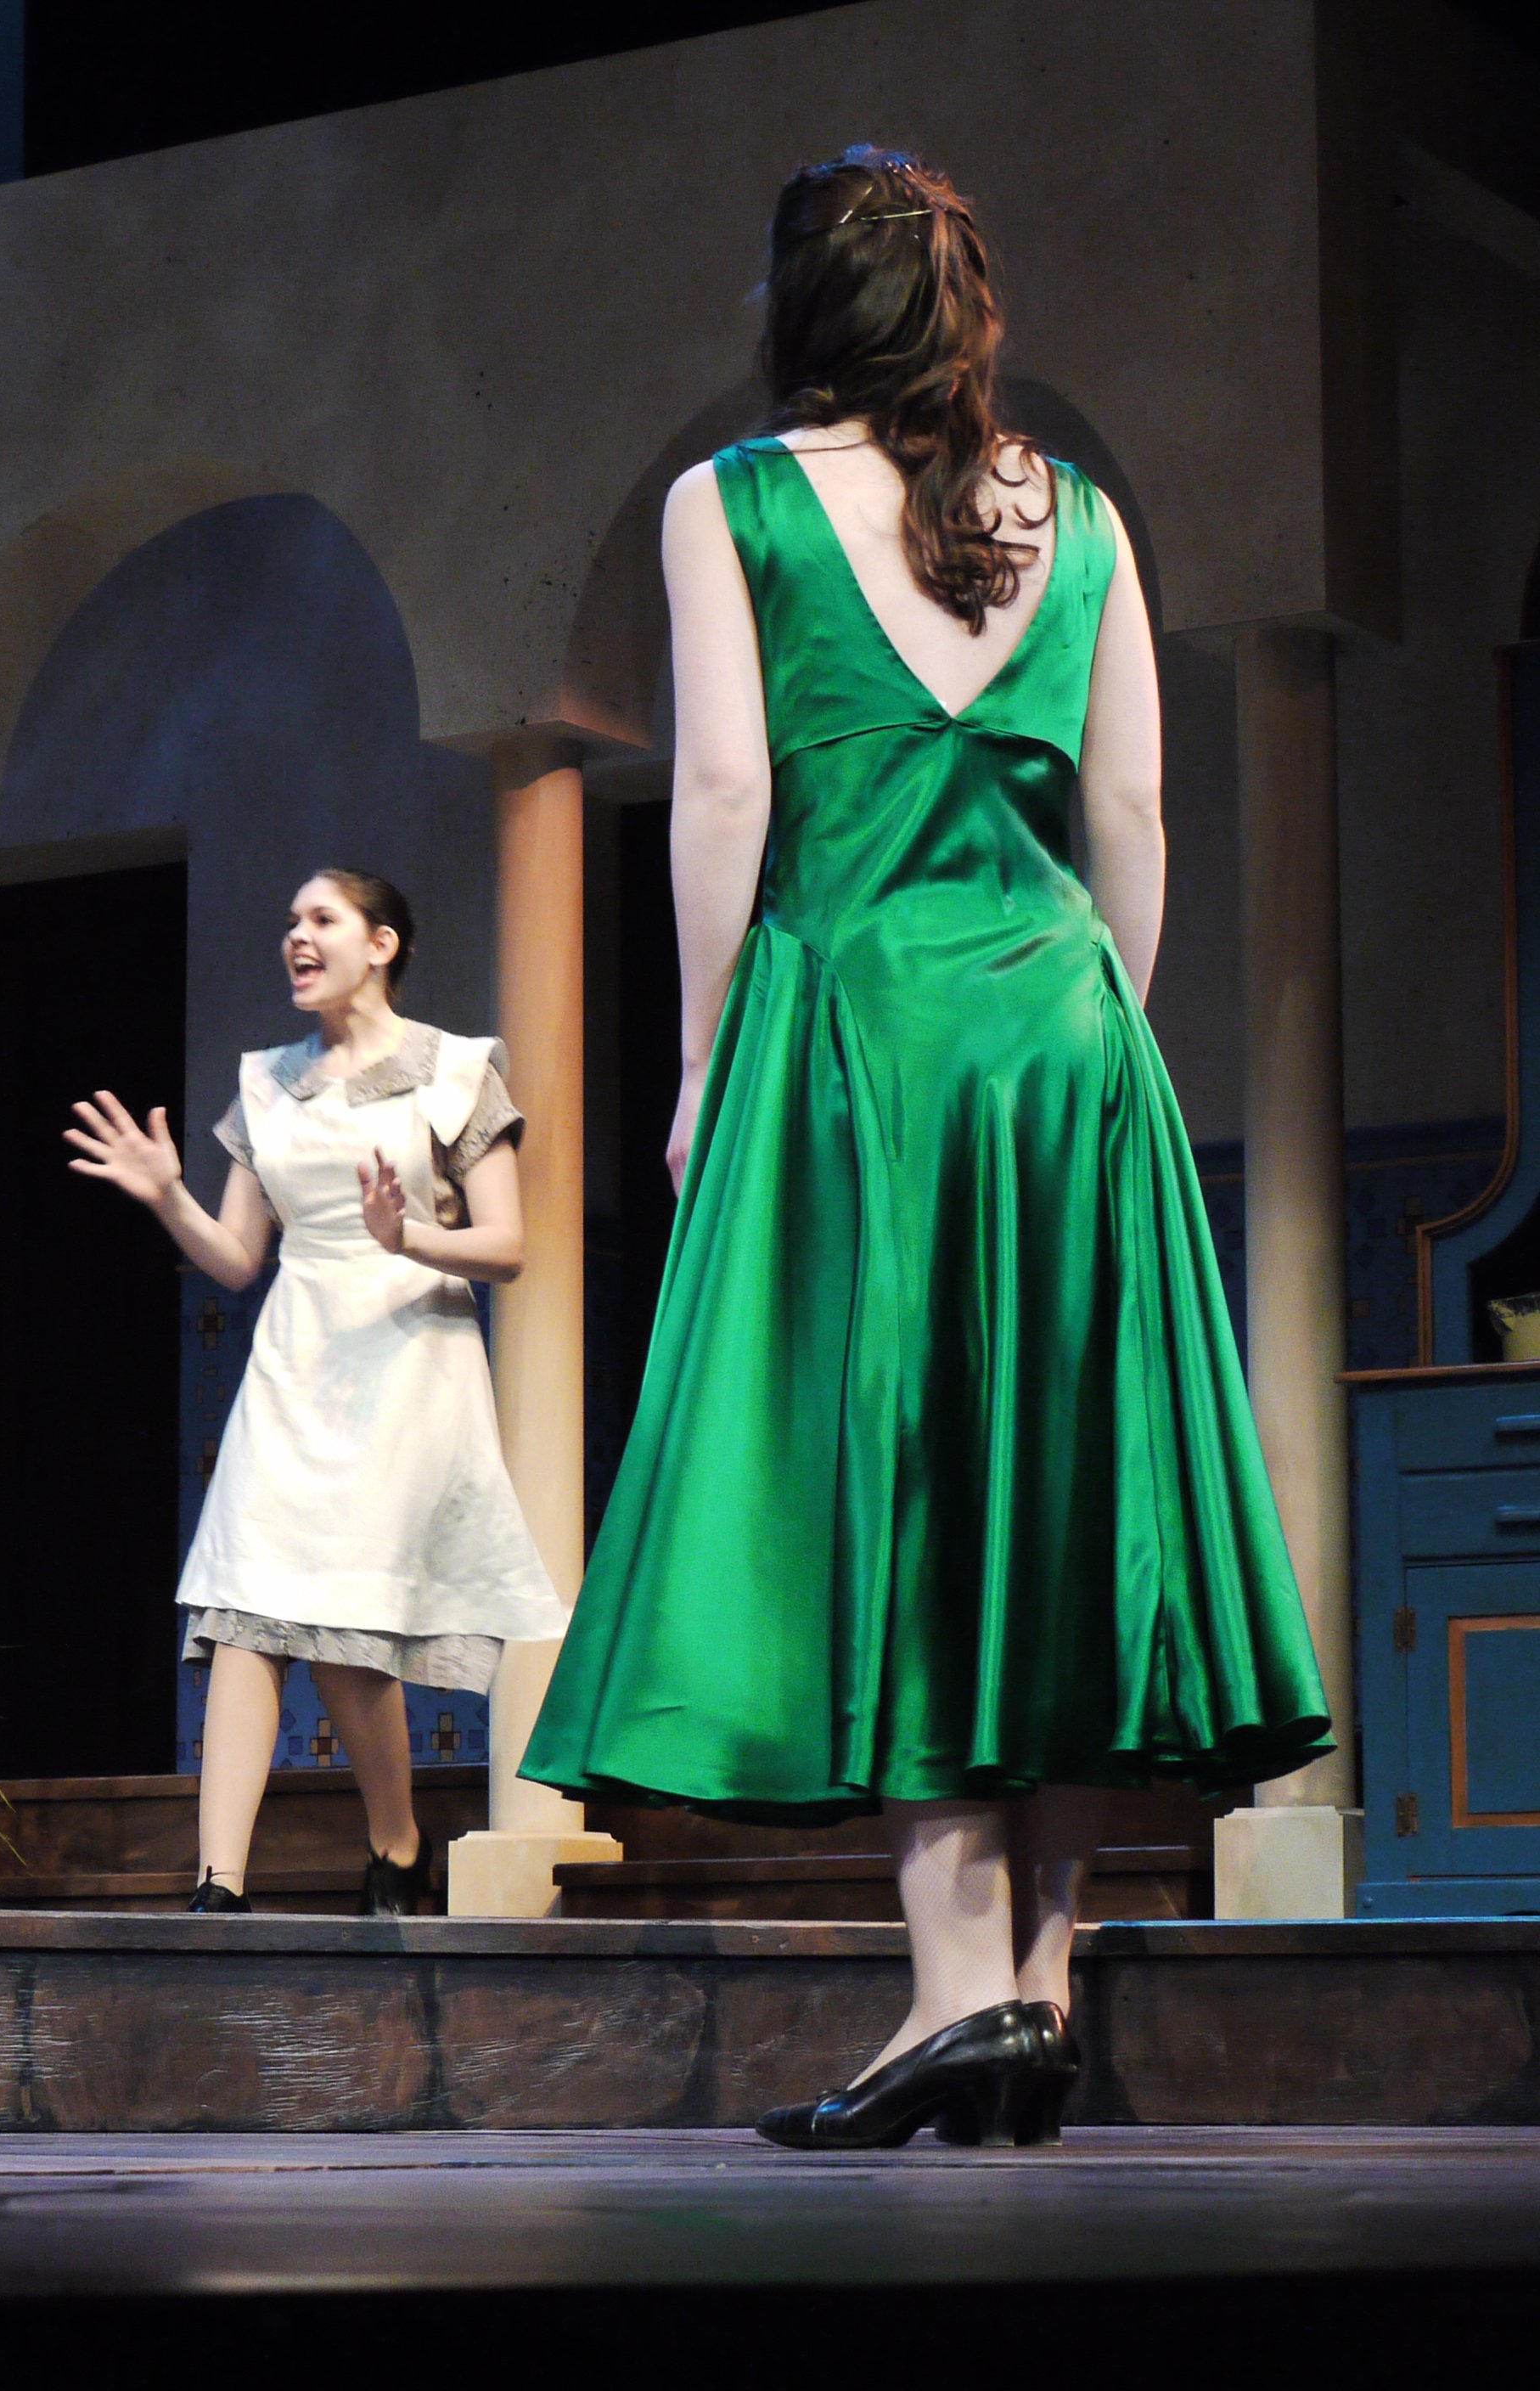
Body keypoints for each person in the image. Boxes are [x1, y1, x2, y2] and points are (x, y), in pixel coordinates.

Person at [520, 147, 1330, 2146]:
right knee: (1047, 1500)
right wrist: (1096, 1038)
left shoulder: (734, 501)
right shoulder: (1080, 514)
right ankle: (1032, 1993)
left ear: (802, 306)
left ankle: (954, 1991)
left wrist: (702, 1058)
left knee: (899, 1484)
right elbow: (1128, 817)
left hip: (860, 1034)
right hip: (1061, 1034)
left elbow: (724, 793)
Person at [67, 868, 567, 1914]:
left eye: (322, 918)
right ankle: (219, 1882)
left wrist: (407, 1233)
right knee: (244, 1606)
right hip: (294, 1358)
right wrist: (168, 1195)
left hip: (408, 1362)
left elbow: (508, 1245)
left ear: (380, 943)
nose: (296, 934)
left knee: (344, 1625)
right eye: (290, 919)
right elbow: (237, 1256)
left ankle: (396, 1837)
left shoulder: (455, 1070)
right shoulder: (267, 1082)